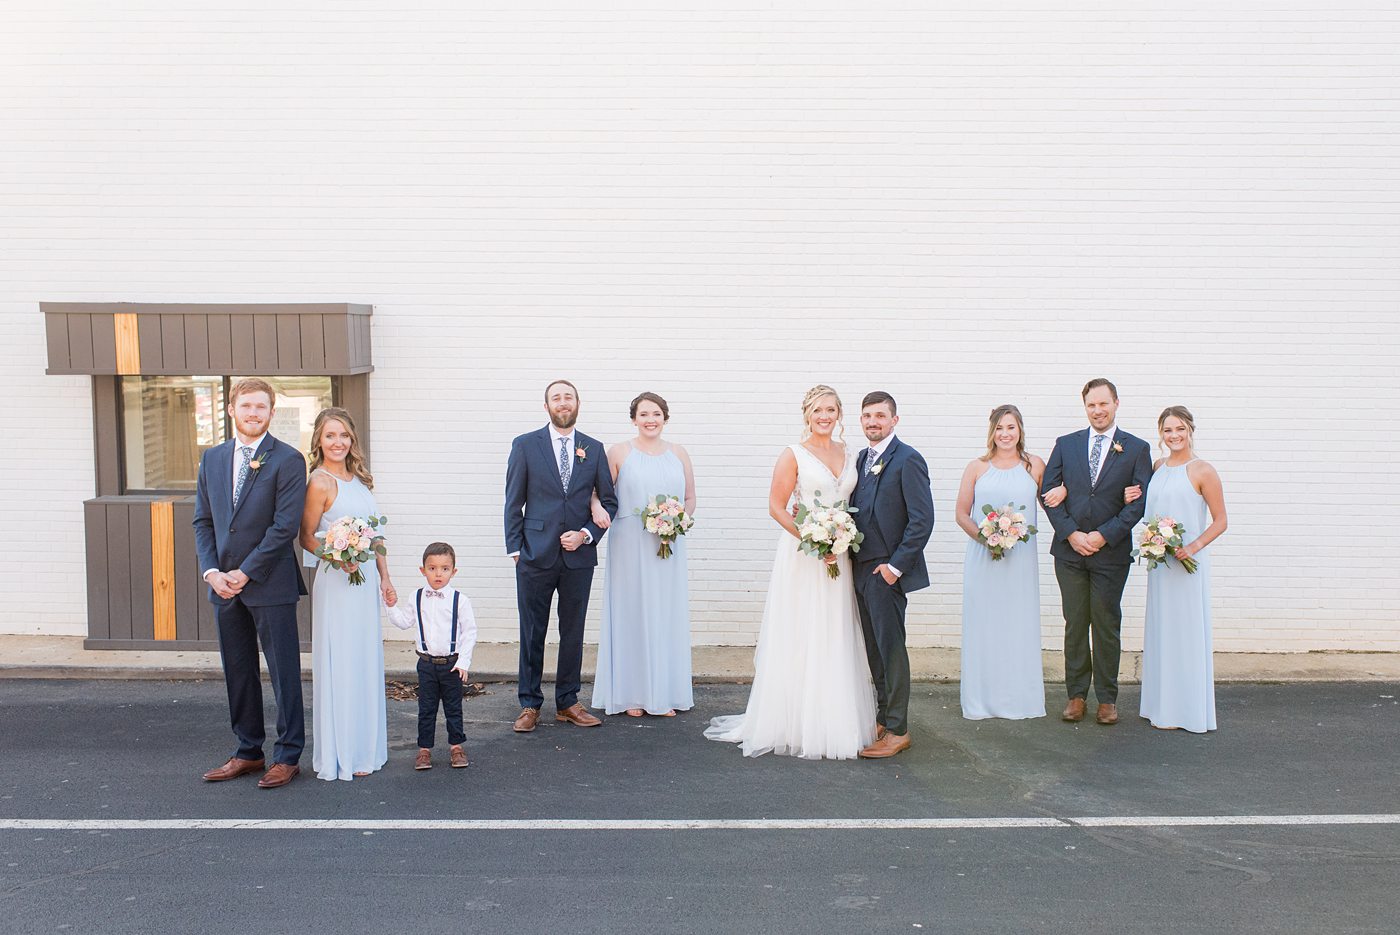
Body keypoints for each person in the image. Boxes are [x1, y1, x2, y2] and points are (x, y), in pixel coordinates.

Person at [705, 385, 877, 760]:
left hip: (839, 556)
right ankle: (792, 721)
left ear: (839, 414)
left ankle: (833, 719)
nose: (825, 416)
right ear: (807, 414)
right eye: (818, 410)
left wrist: (837, 542)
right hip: (804, 554)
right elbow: (776, 506)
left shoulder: (851, 454)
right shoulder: (793, 454)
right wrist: (815, 541)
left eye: (831, 409)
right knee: (801, 630)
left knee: (834, 631)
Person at [193, 377, 308, 789]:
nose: (254, 414)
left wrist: (246, 571)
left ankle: (289, 754)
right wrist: (212, 572)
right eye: (247, 406)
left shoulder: (289, 460)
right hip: (223, 585)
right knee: (238, 670)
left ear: (271, 413)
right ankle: (247, 751)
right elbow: (203, 522)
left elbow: (284, 527)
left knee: (283, 672)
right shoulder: (213, 459)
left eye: (261, 407)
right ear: (231, 410)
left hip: (269, 582)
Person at [504, 379, 619, 732]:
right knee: (532, 630)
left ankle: (568, 701)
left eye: (568, 397)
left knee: (573, 631)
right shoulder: (525, 445)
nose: (563, 403)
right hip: (534, 556)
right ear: (547, 407)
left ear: (578, 404)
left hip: (578, 559)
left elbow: (609, 502)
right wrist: (516, 550)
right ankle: (529, 704)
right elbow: (513, 501)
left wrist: (587, 535)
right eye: (557, 398)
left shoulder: (594, 448)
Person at [1040, 378, 1153, 726]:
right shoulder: (1066, 444)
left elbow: (1138, 503)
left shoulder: (1136, 448)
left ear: (1116, 403)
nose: (1098, 410)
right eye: (1091, 405)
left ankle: (1107, 698)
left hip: (1110, 553)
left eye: (1103, 404)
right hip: (1070, 552)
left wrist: (1103, 536)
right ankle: (1075, 695)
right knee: (1075, 623)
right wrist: (1072, 533)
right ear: (1084, 406)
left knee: (1106, 624)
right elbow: (1047, 493)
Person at [298, 407, 394, 781]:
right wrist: (338, 557)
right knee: (341, 659)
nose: (338, 443)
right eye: (330, 436)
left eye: (344, 436)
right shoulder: (318, 483)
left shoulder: (361, 480)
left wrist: (385, 579)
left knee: (364, 659)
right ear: (319, 441)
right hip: (336, 582)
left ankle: (364, 749)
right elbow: (306, 536)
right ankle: (340, 752)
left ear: (352, 440)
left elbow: (377, 536)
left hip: (366, 579)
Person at [589, 392, 697, 718]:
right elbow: (599, 493)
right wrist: (595, 509)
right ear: (634, 419)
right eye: (644, 414)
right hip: (629, 542)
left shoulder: (679, 453)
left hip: (667, 543)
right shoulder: (619, 451)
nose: (650, 420)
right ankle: (632, 694)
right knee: (632, 612)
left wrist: (679, 519)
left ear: (665, 418)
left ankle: (664, 693)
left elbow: (690, 498)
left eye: (656, 414)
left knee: (665, 613)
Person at [848, 391, 934, 758]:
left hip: (886, 571)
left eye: (880, 416)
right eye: (867, 415)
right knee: (873, 649)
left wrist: (894, 568)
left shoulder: (908, 459)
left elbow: (922, 520)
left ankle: (898, 729)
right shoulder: (860, 459)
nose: (873, 422)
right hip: (858, 568)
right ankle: (884, 717)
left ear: (894, 420)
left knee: (891, 648)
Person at [1138, 406, 1228, 732]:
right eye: (1167, 430)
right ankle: (1161, 706)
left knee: (1186, 633)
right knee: (1163, 630)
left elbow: (1221, 521)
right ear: (1160, 434)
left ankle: (1188, 709)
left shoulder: (1203, 470)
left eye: (1179, 429)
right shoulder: (1158, 466)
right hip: (1161, 565)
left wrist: (1191, 547)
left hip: (1187, 565)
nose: (1174, 436)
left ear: (1190, 430)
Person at [955, 404, 1046, 721]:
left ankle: (1020, 699)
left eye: (1011, 427)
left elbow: (1050, 506)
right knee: (986, 625)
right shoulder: (977, 467)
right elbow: (961, 514)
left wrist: (1062, 493)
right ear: (991, 432)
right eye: (1000, 428)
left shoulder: (1034, 465)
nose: (1005, 434)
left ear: (1020, 430)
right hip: (984, 559)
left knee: (1017, 625)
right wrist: (986, 537)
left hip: (1020, 561)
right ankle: (982, 700)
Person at [385, 542, 478, 768]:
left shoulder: (460, 600)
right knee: (426, 708)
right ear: (423, 570)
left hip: (452, 664)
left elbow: (470, 632)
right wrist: (390, 606)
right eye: (432, 568)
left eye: (445, 569)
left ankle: (456, 747)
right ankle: (424, 750)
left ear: (453, 571)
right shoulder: (416, 597)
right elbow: (404, 622)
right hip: (426, 664)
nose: (438, 573)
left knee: (453, 708)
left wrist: (464, 662)